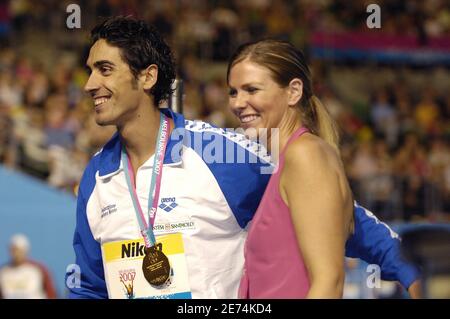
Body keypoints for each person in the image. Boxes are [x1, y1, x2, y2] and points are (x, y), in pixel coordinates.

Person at [69, 17, 419, 299]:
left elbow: (339, 216)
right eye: (90, 71)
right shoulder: (96, 177)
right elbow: (90, 287)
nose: (89, 84)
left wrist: (409, 270)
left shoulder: (219, 154)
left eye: (104, 69)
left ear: (147, 77)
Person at [227, 39, 421, 298]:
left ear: (293, 91)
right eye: (233, 92)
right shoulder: (288, 162)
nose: (238, 103)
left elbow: (328, 282)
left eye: (251, 89)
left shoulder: (306, 155)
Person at [0, 234, 56, 299]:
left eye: (19, 250)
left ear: (26, 250)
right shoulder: (3, 272)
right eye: (13, 250)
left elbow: (51, 293)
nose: (16, 253)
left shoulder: (39, 269)